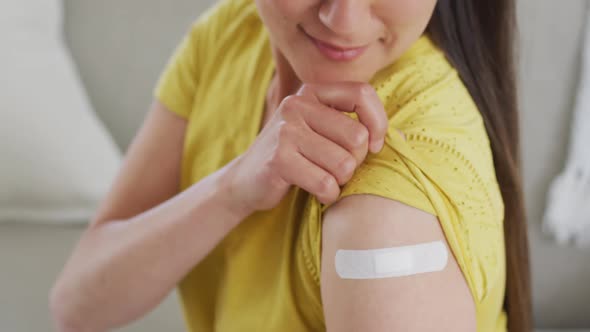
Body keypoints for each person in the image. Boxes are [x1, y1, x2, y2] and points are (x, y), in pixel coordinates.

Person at [50, 0, 531, 331]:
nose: (343, 19)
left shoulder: (389, 206)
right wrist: (233, 189)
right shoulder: (229, 35)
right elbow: (77, 303)